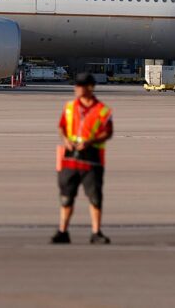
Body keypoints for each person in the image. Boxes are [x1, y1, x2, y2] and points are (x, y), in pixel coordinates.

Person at [51, 72, 112, 244]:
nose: (76, 88)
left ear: (90, 88)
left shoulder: (102, 110)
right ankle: (62, 231)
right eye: (76, 85)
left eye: (80, 85)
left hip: (91, 158)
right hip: (70, 159)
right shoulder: (70, 107)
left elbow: (108, 132)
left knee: (94, 198)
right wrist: (66, 141)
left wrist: (90, 141)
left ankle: (96, 232)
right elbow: (61, 127)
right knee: (66, 198)